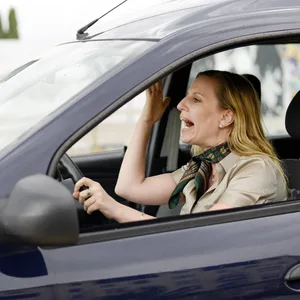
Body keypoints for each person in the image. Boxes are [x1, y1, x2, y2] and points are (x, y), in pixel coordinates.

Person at [73, 70, 287, 222]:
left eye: (196, 100)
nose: (180, 105)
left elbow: (202, 236)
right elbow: (128, 188)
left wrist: (114, 208)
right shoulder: (202, 167)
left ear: (226, 117)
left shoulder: (256, 169)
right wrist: (147, 121)